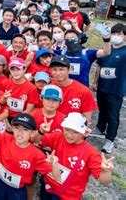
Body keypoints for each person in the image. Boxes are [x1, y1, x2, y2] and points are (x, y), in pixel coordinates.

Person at [32, 112, 115, 200]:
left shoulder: (90, 153)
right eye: (67, 129)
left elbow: (104, 182)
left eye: (75, 132)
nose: (69, 134)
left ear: (84, 132)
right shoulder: (58, 137)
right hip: (48, 186)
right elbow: (35, 140)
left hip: (69, 196)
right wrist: (41, 131)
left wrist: (106, 171)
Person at [0, 113, 60, 199]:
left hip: (16, 191)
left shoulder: (37, 154)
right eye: (17, 128)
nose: (20, 132)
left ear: (32, 133)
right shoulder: (4, 138)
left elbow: (56, 177)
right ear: (12, 128)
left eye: (25, 129)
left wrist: (54, 164)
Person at [94, 23, 126, 154]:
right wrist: (95, 82)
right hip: (102, 86)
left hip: (116, 88)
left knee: (113, 115)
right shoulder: (106, 48)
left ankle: (110, 139)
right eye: (114, 33)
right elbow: (99, 67)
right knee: (102, 109)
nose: (116, 36)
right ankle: (100, 127)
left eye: (119, 34)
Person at [50, 55, 97, 127]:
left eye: (61, 69)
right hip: (53, 129)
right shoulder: (49, 89)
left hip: (72, 131)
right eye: (55, 69)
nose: (58, 73)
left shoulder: (83, 91)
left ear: (69, 70)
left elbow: (87, 119)